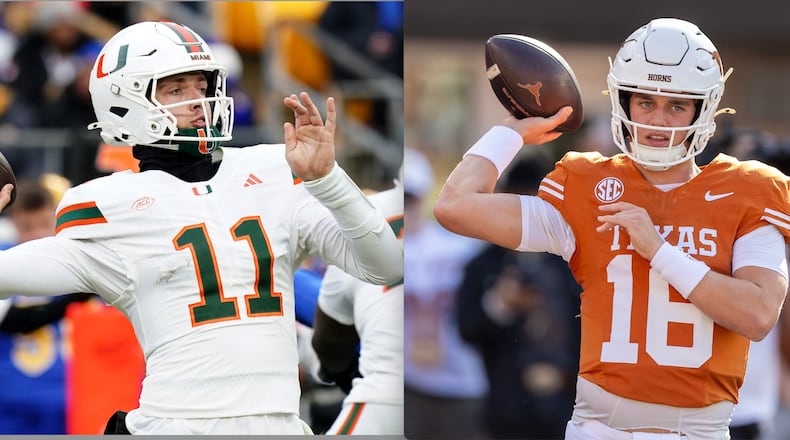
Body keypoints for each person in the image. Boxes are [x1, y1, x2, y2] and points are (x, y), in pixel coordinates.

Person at [0, 20, 402, 435]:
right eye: (176, 89)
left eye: (202, 86)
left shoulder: (272, 169)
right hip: (175, 427)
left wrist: (328, 179)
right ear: (125, 102)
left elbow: (385, 266)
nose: (198, 101)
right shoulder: (109, 205)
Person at [434, 18, 790, 439]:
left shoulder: (748, 189)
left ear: (703, 107)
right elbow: (455, 206)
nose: (658, 120)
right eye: (645, 102)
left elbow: (758, 314)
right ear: (624, 102)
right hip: (597, 427)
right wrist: (510, 132)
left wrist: (659, 251)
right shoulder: (587, 185)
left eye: (676, 105)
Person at [456, 157, 582, 439]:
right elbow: (466, 329)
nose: (527, 217)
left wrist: (563, 373)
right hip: (507, 410)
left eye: (534, 205)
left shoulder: (573, 262)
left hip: (569, 409)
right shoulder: (484, 265)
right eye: (519, 205)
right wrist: (499, 305)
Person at [402, 147, 488, 439]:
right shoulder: (383, 250)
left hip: (464, 380)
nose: (403, 208)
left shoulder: (460, 246)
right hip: (409, 383)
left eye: (408, 199)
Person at [311, 172, 404, 435]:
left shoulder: (367, 213)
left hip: (388, 394)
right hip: (459, 391)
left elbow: (329, 343)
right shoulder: (462, 230)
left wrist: (343, 374)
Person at [0, 177, 93, 434]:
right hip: (11, 399)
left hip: (70, 396)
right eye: (26, 227)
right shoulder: (5, 259)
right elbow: (16, 321)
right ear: (13, 225)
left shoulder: (77, 261)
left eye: (44, 224)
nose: (37, 234)